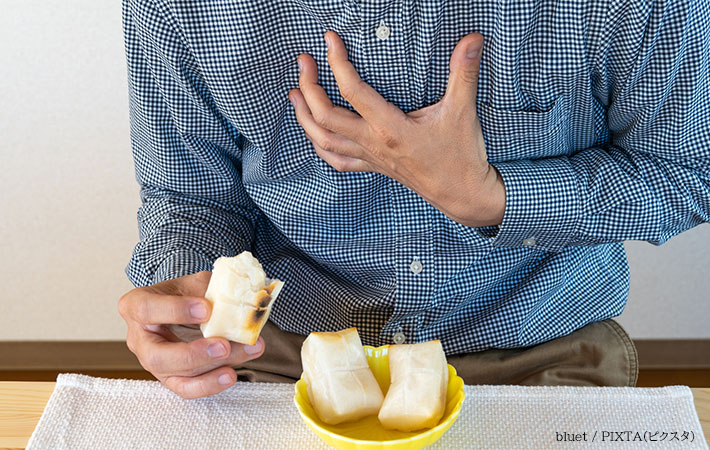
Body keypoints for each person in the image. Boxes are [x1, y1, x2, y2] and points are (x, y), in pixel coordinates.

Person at [117, 0, 710, 399]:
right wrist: (184, 290)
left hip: (536, 351)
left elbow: (686, 173)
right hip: (285, 352)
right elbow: (191, 194)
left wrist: (490, 198)